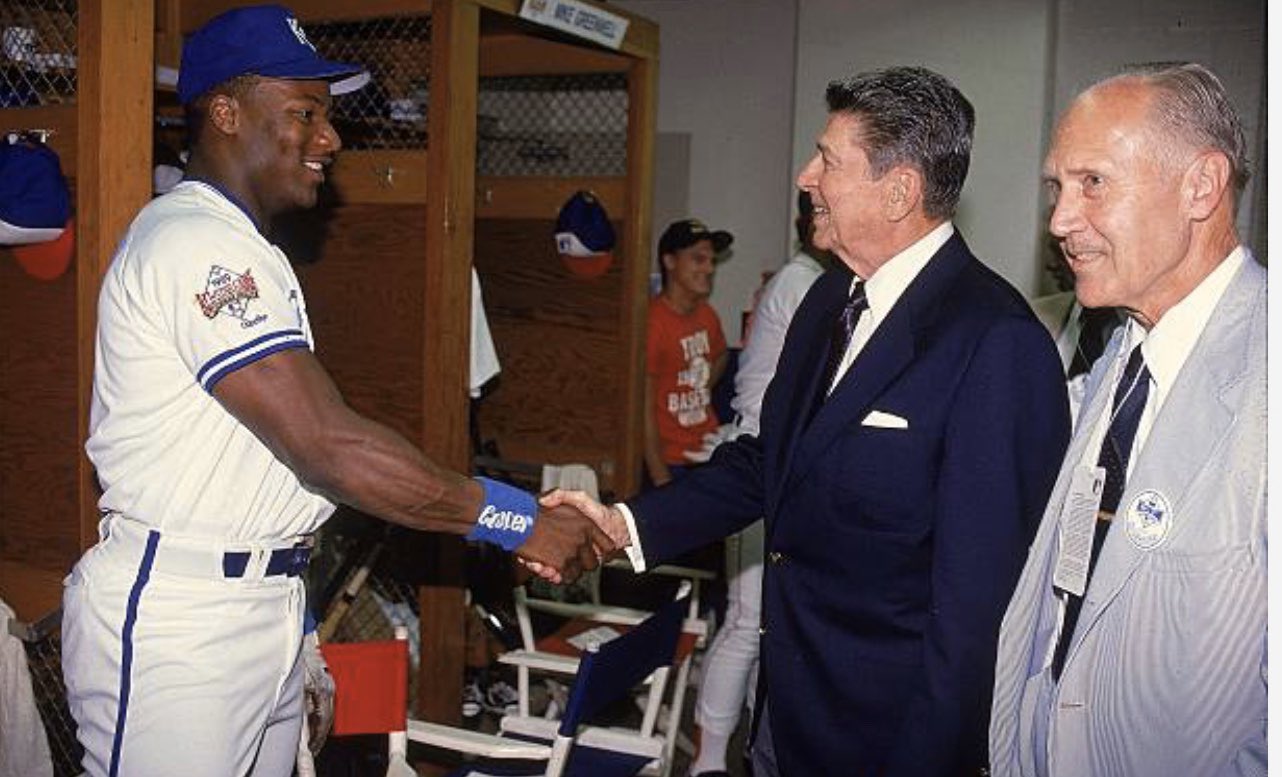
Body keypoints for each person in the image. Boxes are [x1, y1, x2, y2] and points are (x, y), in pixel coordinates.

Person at [59, 7, 607, 777]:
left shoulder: (242, 244)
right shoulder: (194, 241)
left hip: (262, 602)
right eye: (305, 114)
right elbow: (326, 445)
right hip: (183, 624)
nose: (330, 139)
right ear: (224, 111)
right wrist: (517, 519)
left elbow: (298, 453)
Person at [542, 66, 1070, 775]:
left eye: (828, 159)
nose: (804, 176)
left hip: (888, 744)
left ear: (900, 190)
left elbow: (979, 616)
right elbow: (770, 461)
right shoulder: (827, 303)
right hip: (787, 720)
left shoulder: (995, 342)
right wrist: (623, 526)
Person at [989, 62, 1266, 777]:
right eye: (1057, 187)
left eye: (1093, 183)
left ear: (1200, 186)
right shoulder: (1121, 355)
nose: (1058, 220)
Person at [686, 191, 827, 777]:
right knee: (747, 621)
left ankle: (744, 754)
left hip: (780, 458)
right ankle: (706, 763)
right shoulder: (801, 284)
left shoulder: (815, 281)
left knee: (764, 624)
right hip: (757, 456)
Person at [644, 218, 732, 488]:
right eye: (698, 259)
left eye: (711, 261)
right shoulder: (652, 322)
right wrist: (661, 479)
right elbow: (641, 411)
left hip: (706, 452)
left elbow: (721, 355)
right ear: (670, 261)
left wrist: (701, 382)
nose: (709, 268)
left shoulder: (707, 315)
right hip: (670, 464)